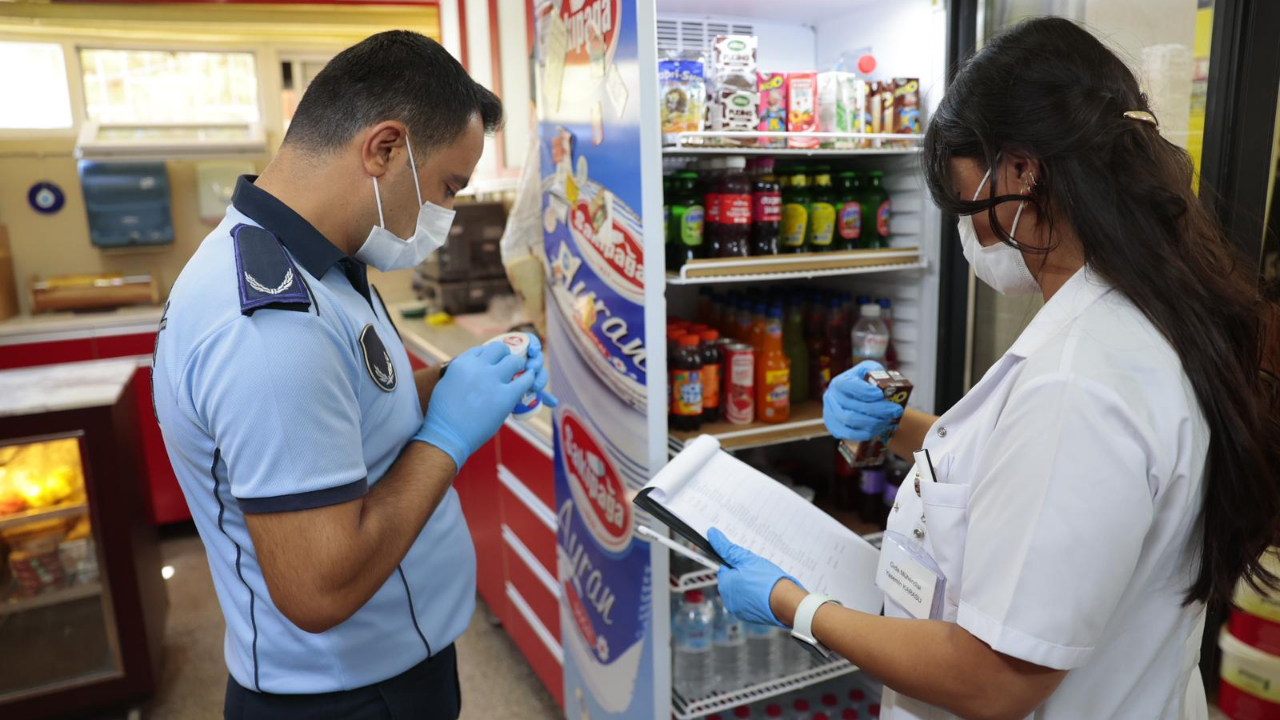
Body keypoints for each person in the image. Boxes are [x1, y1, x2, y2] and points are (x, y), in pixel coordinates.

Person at [709, 17, 1280, 720]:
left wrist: (795, 604)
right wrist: (906, 428)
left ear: (1019, 170)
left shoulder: (1078, 380)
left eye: (960, 196)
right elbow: (1038, 476)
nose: (964, 226)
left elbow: (994, 680)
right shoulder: (1149, 307)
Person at [151, 31, 554, 719]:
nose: (449, 217)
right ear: (384, 149)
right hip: (344, 696)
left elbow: (351, 411)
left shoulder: (318, 262)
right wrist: (449, 436)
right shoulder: (269, 324)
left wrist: (456, 382)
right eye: (449, 188)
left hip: (393, 663)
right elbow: (319, 590)